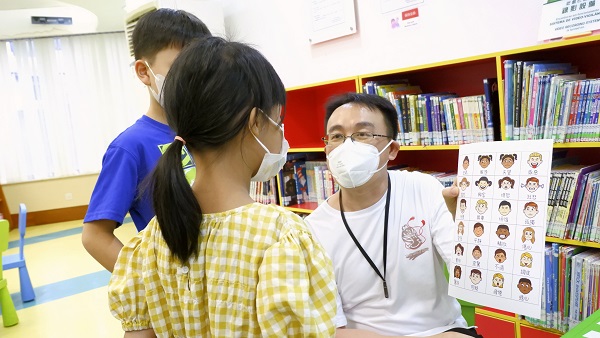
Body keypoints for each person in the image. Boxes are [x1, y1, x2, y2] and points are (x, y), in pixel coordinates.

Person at [108, 37, 339, 337]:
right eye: (278, 120)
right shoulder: (281, 237)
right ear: (255, 121)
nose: (281, 132)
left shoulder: (151, 240)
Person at [306, 93, 482, 337]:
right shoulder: (312, 230)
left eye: (362, 134)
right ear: (327, 150)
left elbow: (474, 278)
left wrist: (466, 228)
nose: (347, 146)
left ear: (392, 150)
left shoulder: (424, 188)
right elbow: (333, 330)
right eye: (337, 136)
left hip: (442, 331)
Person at [82, 9, 211, 272]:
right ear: (144, 71)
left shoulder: (209, 131)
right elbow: (95, 236)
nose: (194, 80)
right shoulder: (130, 147)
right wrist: (146, 282)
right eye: (181, 68)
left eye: (202, 70)